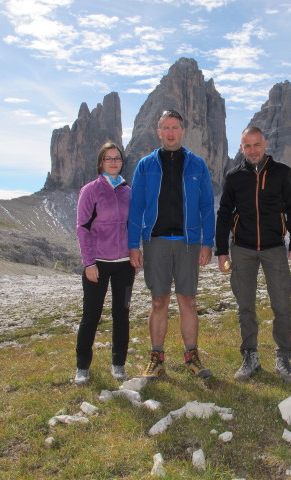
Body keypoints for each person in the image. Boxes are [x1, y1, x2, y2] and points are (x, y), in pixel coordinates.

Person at [128, 109, 215, 380]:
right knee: (158, 302)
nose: (170, 132)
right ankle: (156, 358)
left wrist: (207, 243)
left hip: (189, 243)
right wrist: (134, 245)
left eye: (175, 127)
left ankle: (192, 356)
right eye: (165, 128)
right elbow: (136, 207)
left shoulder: (197, 164)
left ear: (182, 130)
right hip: (156, 241)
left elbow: (206, 207)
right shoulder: (146, 165)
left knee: (187, 301)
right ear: (158, 132)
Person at [216, 126, 291, 383]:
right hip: (241, 249)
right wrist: (222, 251)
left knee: (282, 304)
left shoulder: (282, 173)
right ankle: (250, 356)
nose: (252, 150)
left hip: (274, 247)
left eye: (256, 145)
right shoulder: (234, 176)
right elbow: (223, 213)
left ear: (265, 144)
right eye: (247, 146)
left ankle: (284, 357)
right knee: (245, 306)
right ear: (241, 147)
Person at [74, 142, 136, 386]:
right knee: (91, 315)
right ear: (101, 163)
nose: (113, 162)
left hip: (124, 264)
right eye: (108, 158)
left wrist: (135, 253)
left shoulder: (128, 191)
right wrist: (89, 263)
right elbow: (82, 228)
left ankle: (119, 364)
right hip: (97, 263)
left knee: (122, 313)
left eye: (117, 158)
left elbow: (133, 226)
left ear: (122, 162)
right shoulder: (90, 190)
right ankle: (82, 366)